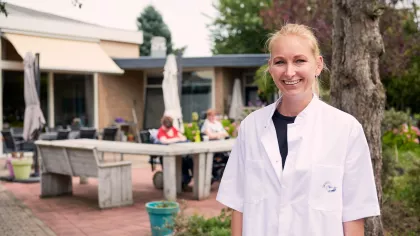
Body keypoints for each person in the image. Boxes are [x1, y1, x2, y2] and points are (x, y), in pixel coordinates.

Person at [216, 23, 380, 236]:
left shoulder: (346, 129)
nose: (289, 72)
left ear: (318, 65)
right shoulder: (251, 127)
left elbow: (354, 214)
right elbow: (238, 205)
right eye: (280, 62)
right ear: (271, 67)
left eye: (299, 60)